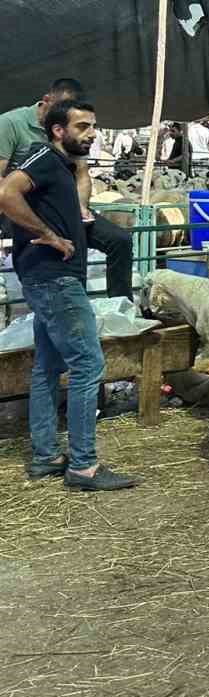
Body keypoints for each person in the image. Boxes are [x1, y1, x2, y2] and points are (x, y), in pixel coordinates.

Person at [0, 97, 135, 490]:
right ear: (58, 130)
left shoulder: (61, 164)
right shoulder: (43, 156)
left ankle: (45, 456)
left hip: (47, 278)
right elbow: (7, 194)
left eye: (93, 126)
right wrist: (46, 235)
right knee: (88, 364)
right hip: (54, 278)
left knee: (48, 366)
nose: (91, 133)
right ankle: (84, 465)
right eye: (82, 127)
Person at [0, 77, 134, 300]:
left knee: (119, 240)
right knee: (68, 248)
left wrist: (81, 206)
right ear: (47, 103)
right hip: (26, 207)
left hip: (64, 205)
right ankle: (71, 304)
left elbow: (82, 174)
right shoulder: (11, 124)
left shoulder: (74, 133)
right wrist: (45, 230)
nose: (90, 132)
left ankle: (121, 307)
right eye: (82, 125)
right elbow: (5, 188)